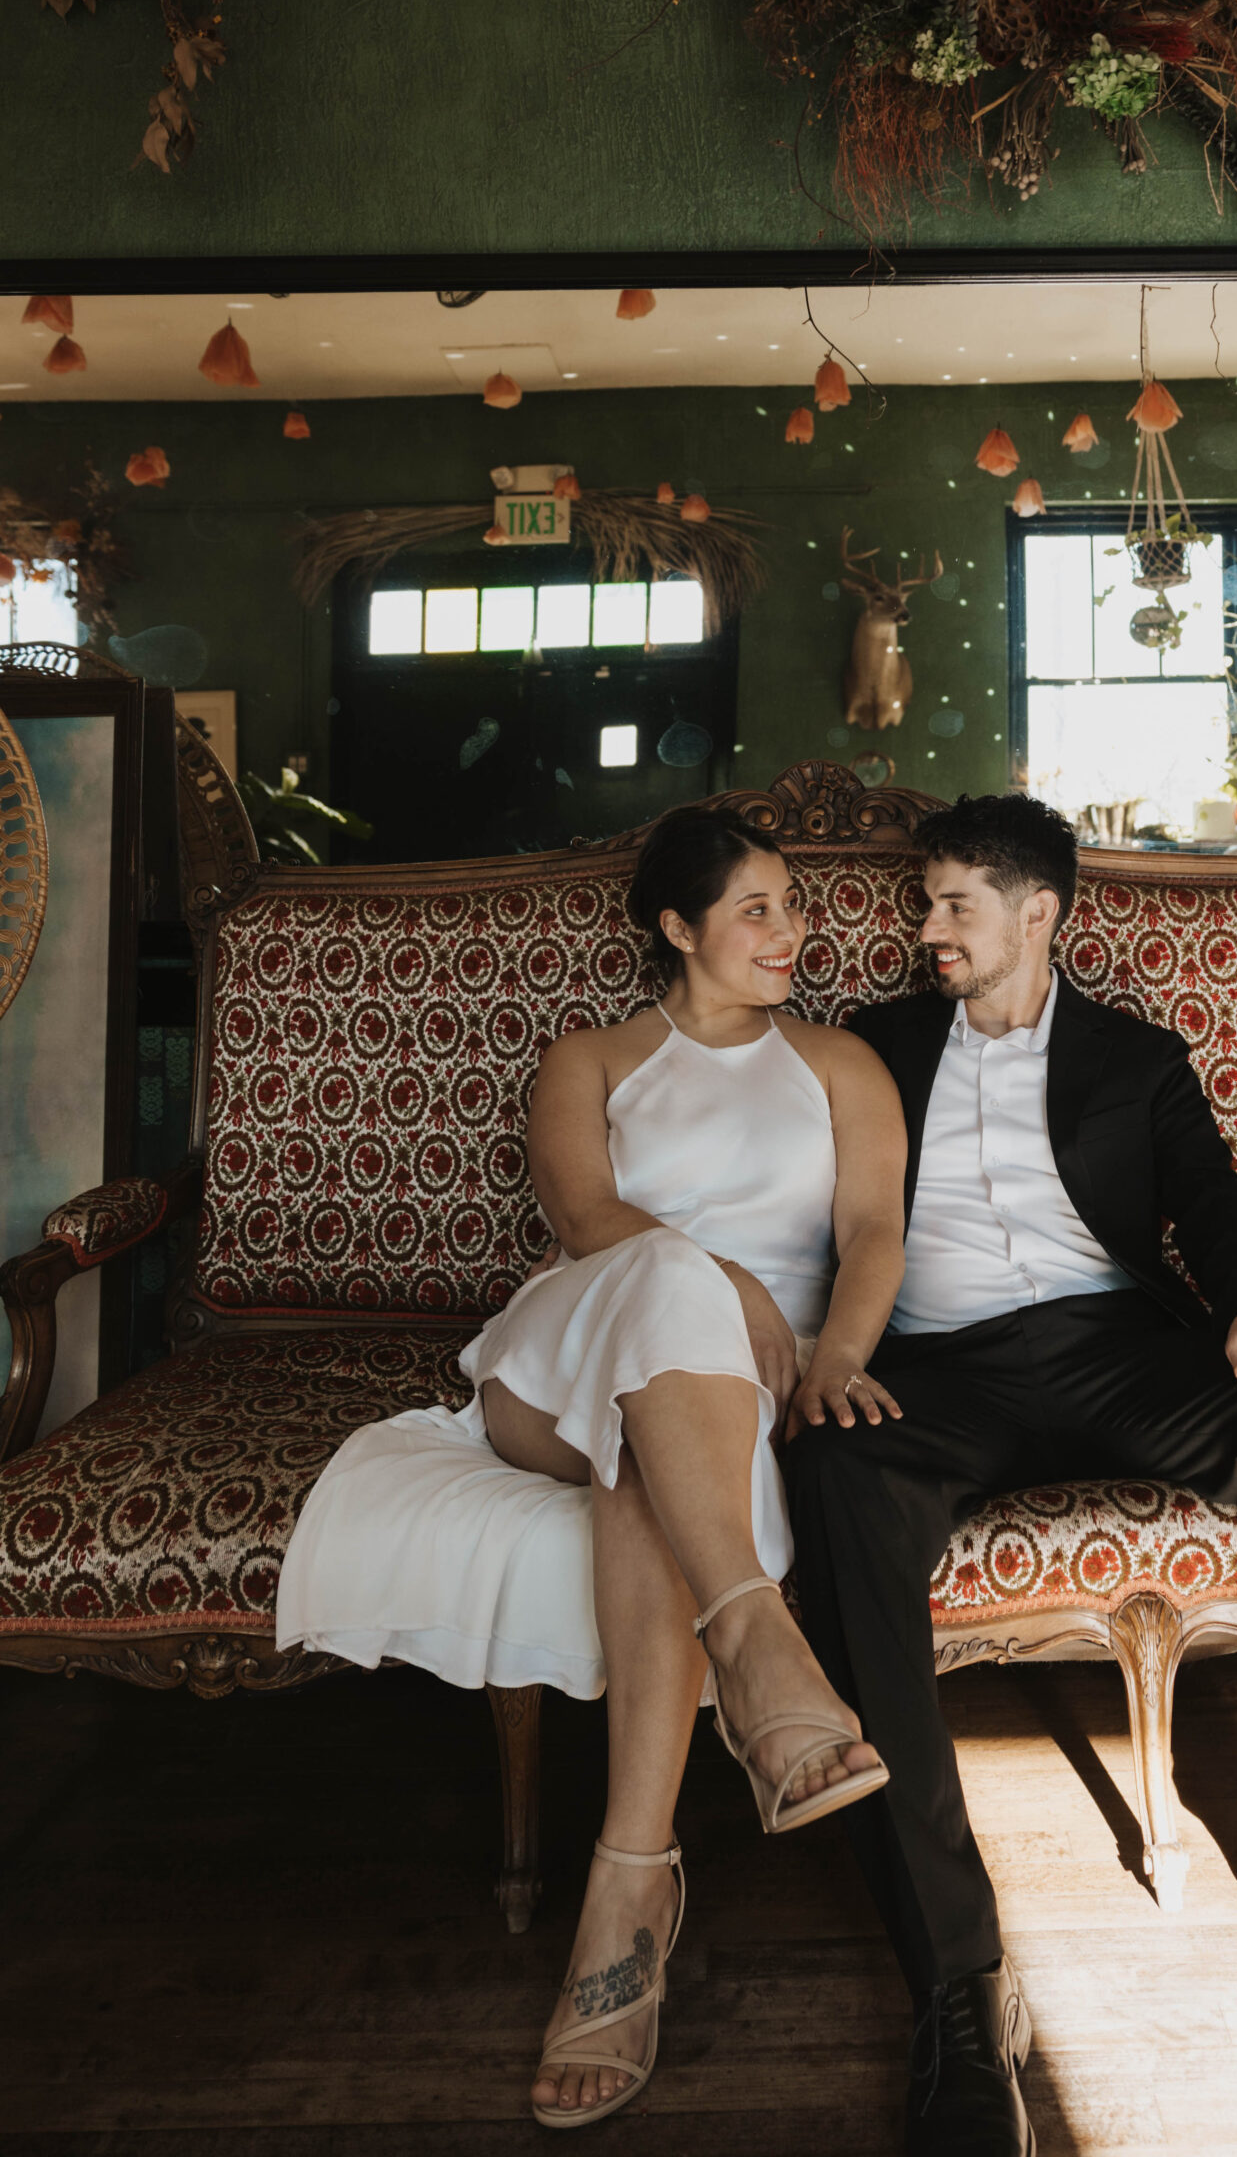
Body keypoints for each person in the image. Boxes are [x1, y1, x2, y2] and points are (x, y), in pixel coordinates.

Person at [785, 790, 1237, 2157]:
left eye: (955, 905)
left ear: (1039, 913)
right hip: (933, 1368)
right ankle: (955, 1971)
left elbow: (1216, 1204)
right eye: (921, 902)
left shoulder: (1134, 1057)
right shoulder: (865, 1049)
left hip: (1113, 1348)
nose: (925, 928)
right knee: (829, 1473)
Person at [278, 807, 908, 2129]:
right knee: (662, 1285)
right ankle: (759, 1648)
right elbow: (586, 1219)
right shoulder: (594, 1057)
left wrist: (836, 1358)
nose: (791, 931)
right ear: (675, 929)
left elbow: (871, 1233)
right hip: (551, 1373)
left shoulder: (842, 1063)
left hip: (732, 1401)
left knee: (656, 1450)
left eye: (796, 904)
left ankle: (629, 1890)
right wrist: (729, 1279)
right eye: (756, 908)